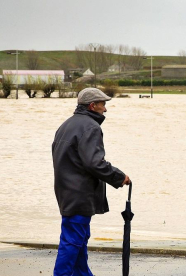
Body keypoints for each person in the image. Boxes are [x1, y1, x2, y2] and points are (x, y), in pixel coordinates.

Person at [52, 87, 131, 276]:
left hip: (66, 191)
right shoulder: (90, 127)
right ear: (92, 105)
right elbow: (94, 163)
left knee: (78, 239)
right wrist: (119, 177)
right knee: (72, 241)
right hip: (79, 194)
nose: (105, 109)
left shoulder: (67, 125)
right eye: (103, 104)